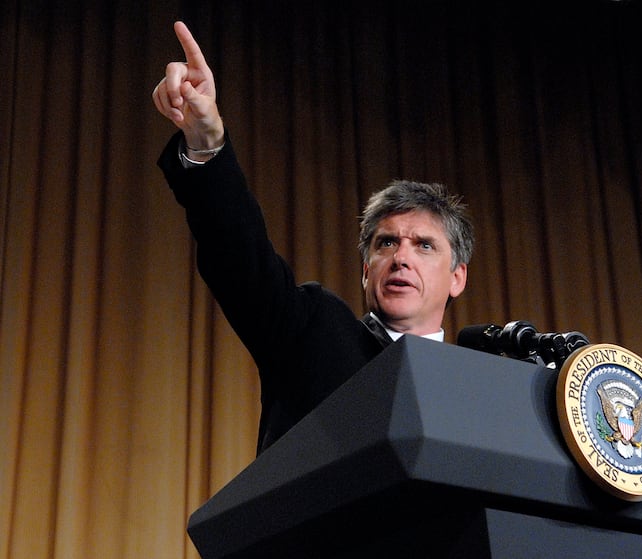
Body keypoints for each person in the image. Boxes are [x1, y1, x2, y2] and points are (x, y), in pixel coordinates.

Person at [152, 22, 474, 454]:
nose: (401, 257)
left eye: (425, 245)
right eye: (386, 243)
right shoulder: (315, 332)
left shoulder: (478, 391)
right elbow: (241, 259)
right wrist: (206, 142)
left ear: (457, 277)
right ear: (366, 271)